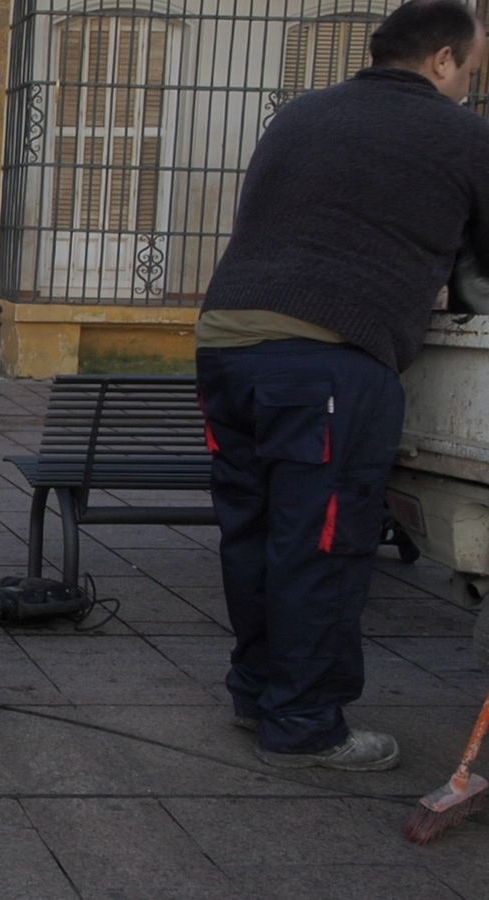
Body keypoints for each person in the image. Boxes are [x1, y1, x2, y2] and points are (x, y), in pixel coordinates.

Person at [196, 0, 489, 770]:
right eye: (472, 68)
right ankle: (306, 723)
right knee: (321, 544)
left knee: (252, 532)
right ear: (442, 61)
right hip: (327, 359)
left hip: (225, 344)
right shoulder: (464, 134)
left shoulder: (301, 113)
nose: (470, 84)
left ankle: (257, 694)